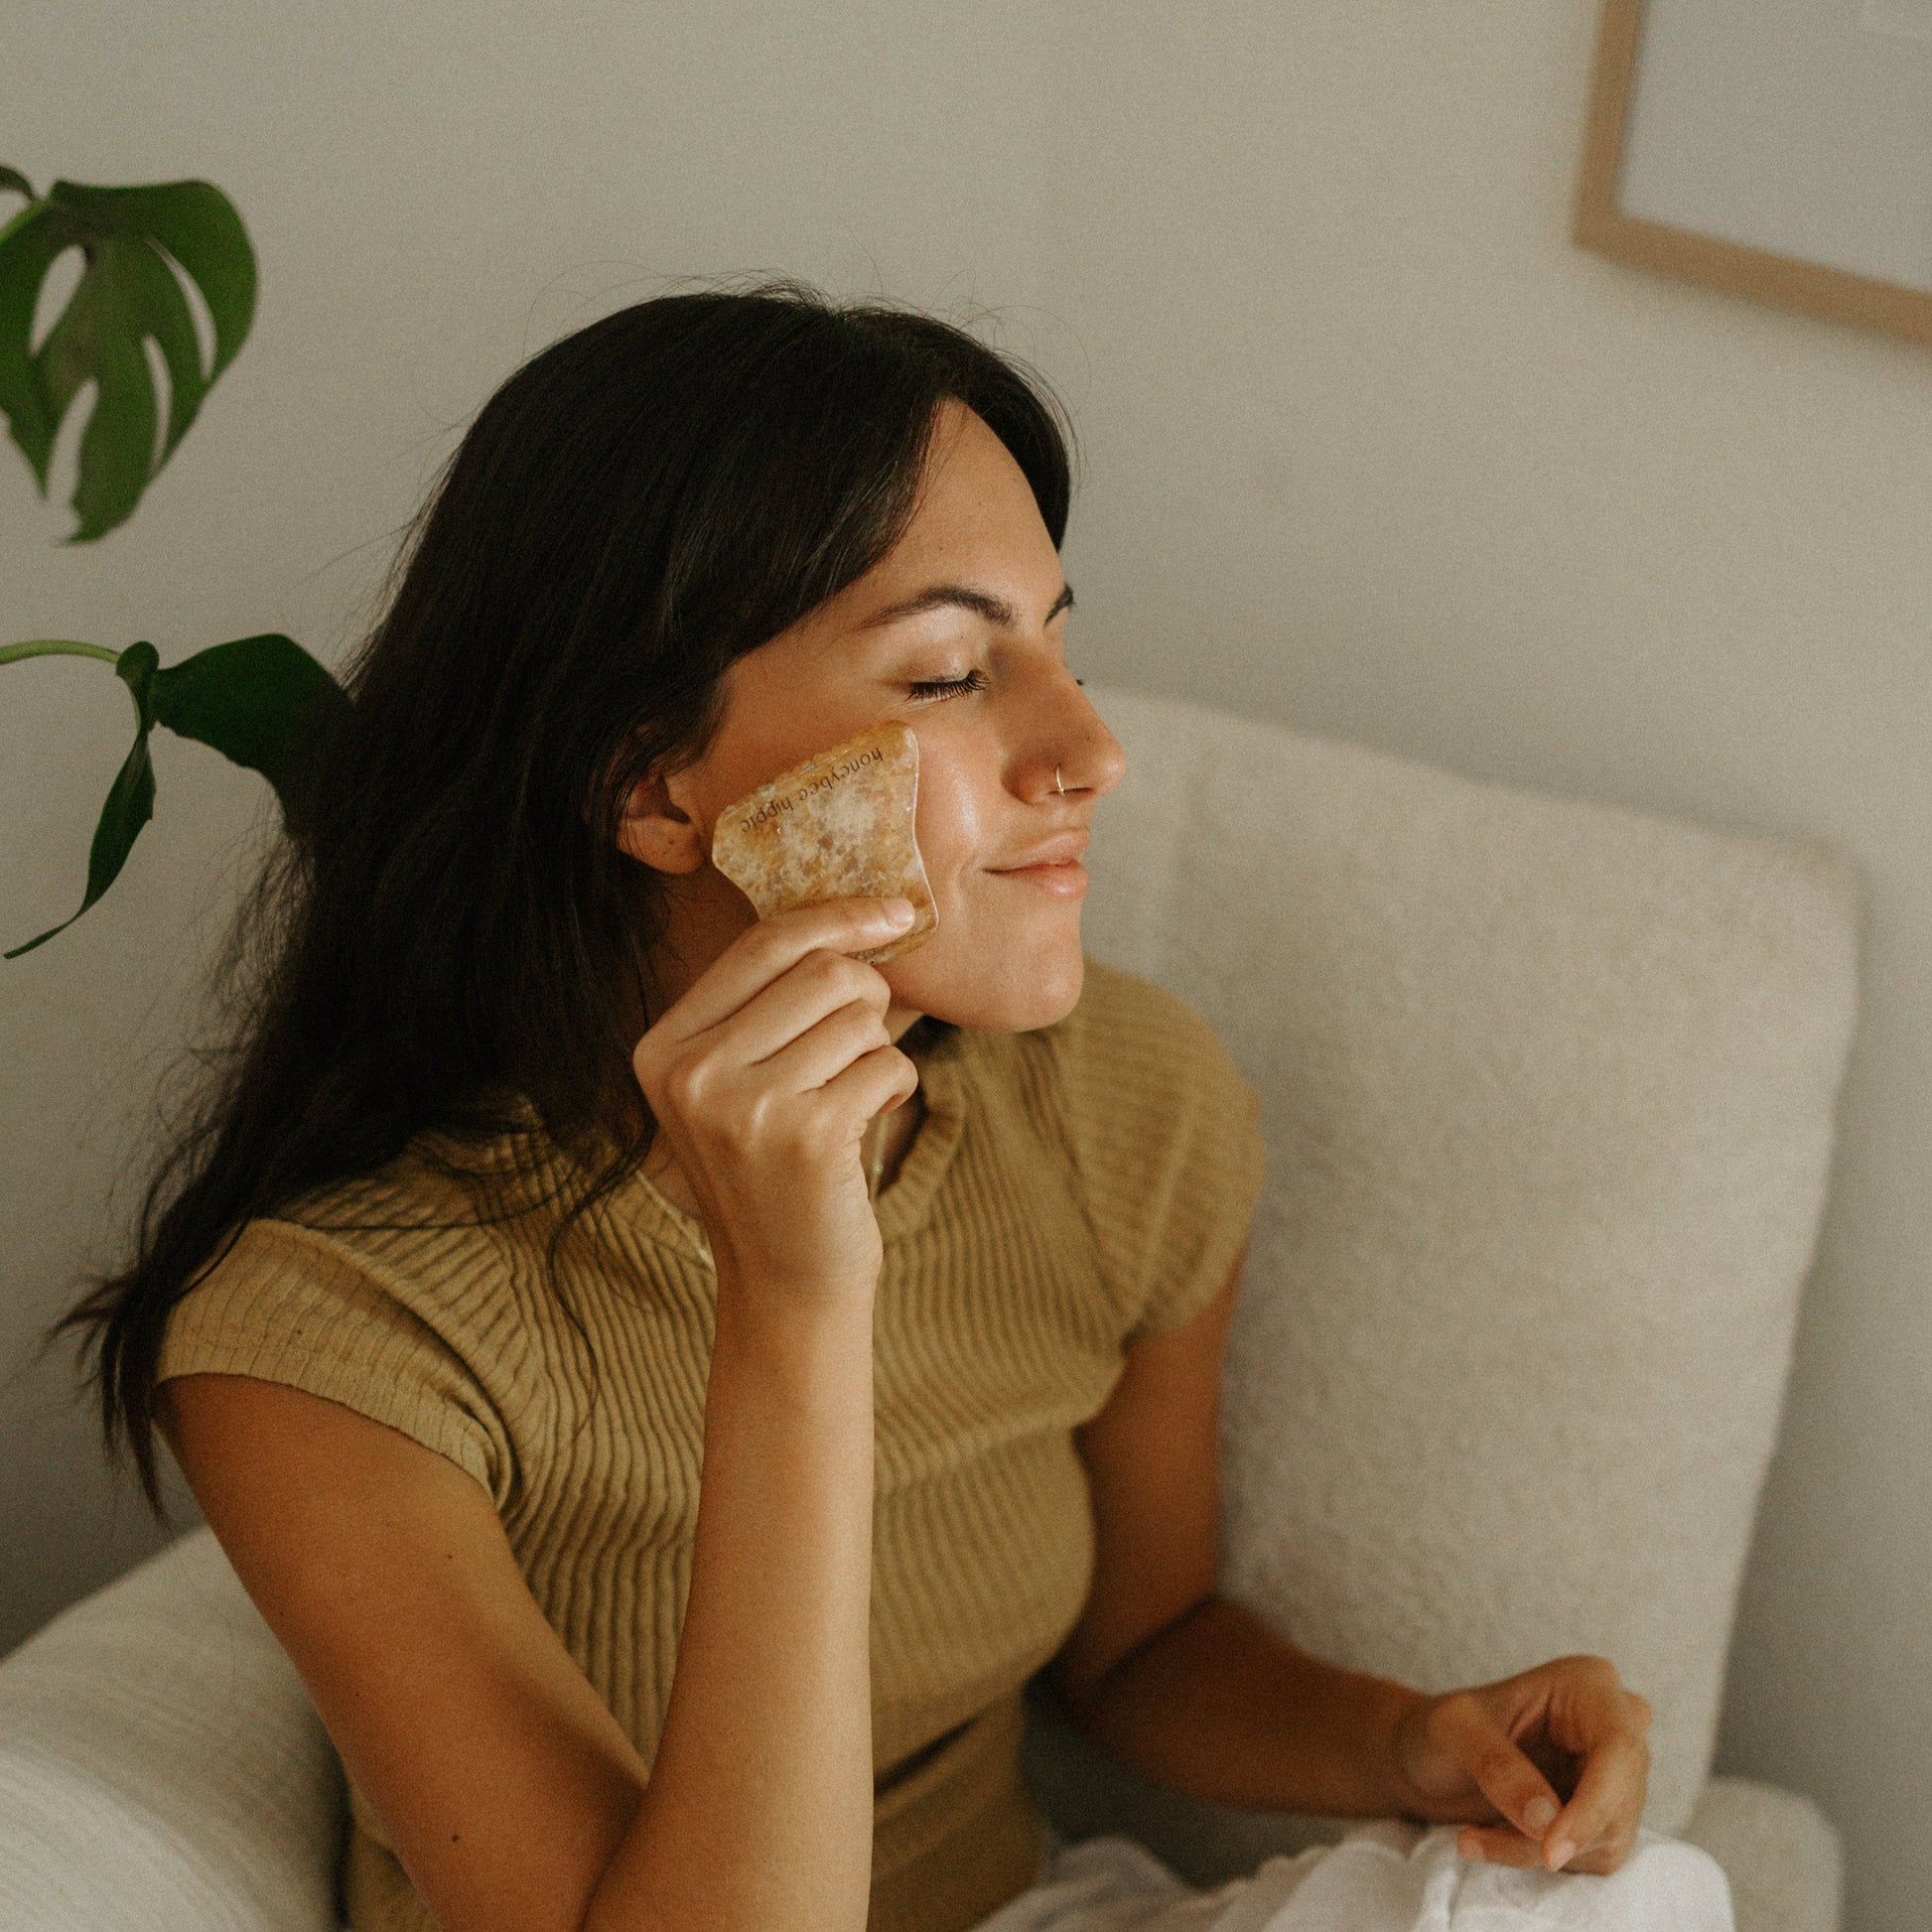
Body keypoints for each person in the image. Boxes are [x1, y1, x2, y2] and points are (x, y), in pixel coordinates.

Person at [52, 283, 1727, 1932]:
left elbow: (1143, 1641)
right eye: (945, 676)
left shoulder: (1120, 1109)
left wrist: (1407, 1740)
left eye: (1058, 645)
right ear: (650, 783)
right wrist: (795, 1297)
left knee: (1618, 1904)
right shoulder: (328, 1335)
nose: (1086, 747)